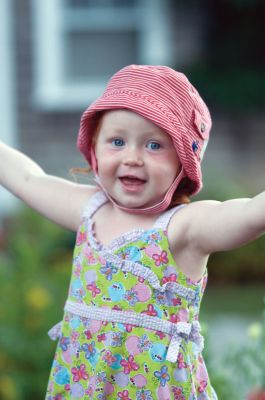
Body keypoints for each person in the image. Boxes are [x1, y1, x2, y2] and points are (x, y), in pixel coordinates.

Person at [0, 64, 264, 400]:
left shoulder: (183, 228)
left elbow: (250, 215)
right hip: (85, 387)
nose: (132, 158)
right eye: (117, 141)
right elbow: (27, 179)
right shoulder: (89, 211)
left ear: (183, 162)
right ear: (94, 149)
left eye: (154, 146)